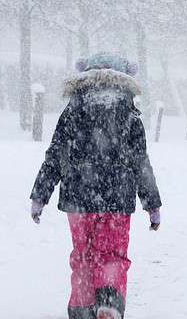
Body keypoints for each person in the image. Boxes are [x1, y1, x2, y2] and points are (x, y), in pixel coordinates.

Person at [30, 53, 162, 319]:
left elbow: (56, 154)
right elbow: (140, 162)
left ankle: (81, 307)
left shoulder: (72, 110)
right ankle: (109, 302)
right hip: (117, 200)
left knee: (83, 255)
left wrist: (40, 195)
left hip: (79, 199)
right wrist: (152, 204)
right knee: (112, 253)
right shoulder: (130, 114)